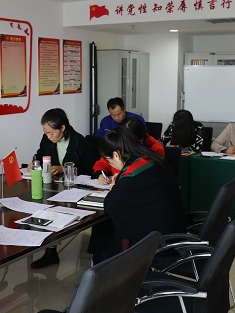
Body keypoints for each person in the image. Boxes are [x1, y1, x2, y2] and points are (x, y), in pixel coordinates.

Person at [92, 125, 187, 263]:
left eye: (109, 160)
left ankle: (102, 270)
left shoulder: (133, 173)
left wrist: (117, 186)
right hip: (175, 232)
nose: (111, 164)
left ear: (116, 155)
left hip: (158, 243)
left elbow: (110, 206)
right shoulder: (151, 157)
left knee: (104, 233)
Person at [30, 108, 96, 269]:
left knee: (55, 213)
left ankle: (52, 251)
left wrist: (63, 169)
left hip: (76, 189)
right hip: (54, 187)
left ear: (63, 128)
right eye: (46, 133)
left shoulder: (80, 143)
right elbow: (40, 154)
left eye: (51, 133)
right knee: (44, 208)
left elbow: (90, 171)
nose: (48, 137)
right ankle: (50, 252)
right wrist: (34, 162)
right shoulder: (47, 139)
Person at [92, 116, 164, 184]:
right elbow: (103, 163)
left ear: (140, 139)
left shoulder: (154, 150)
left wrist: (122, 176)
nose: (123, 143)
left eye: (127, 140)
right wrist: (100, 174)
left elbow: (141, 175)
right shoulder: (118, 145)